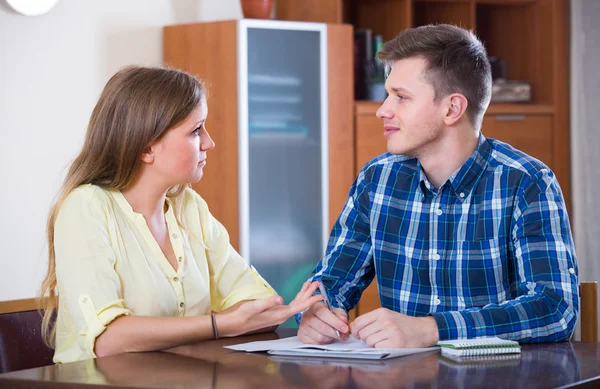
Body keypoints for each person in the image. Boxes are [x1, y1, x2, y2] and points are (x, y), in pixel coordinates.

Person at [297, 24, 579, 347]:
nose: (382, 110)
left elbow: (556, 309)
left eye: (400, 97)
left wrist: (432, 329)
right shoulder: (376, 180)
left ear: (452, 108)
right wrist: (316, 310)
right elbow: (332, 281)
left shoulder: (527, 184)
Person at [38, 66, 323, 363]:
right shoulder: (86, 208)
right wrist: (219, 324)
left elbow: (259, 306)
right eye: (196, 130)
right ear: (146, 147)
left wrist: (255, 315)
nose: (209, 143)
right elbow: (108, 341)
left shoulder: (188, 207)